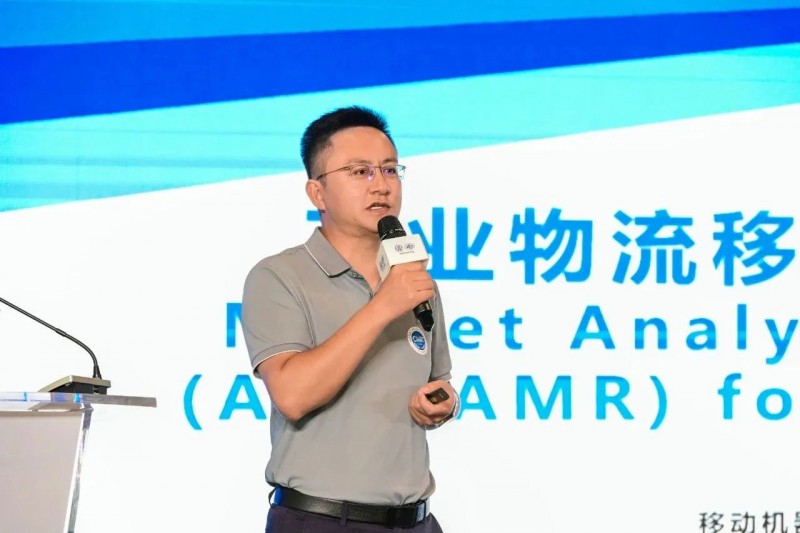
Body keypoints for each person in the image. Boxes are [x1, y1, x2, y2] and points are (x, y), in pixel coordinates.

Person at [241, 105, 459, 532]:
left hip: (416, 520)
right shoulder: (279, 276)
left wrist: (443, 402)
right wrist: (382, 306)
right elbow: (293, 395)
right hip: (323, 520)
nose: (381, 185)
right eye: (360, 172)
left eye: (390, 170)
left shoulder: (414, 279)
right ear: (317, 193)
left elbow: (441, 381)